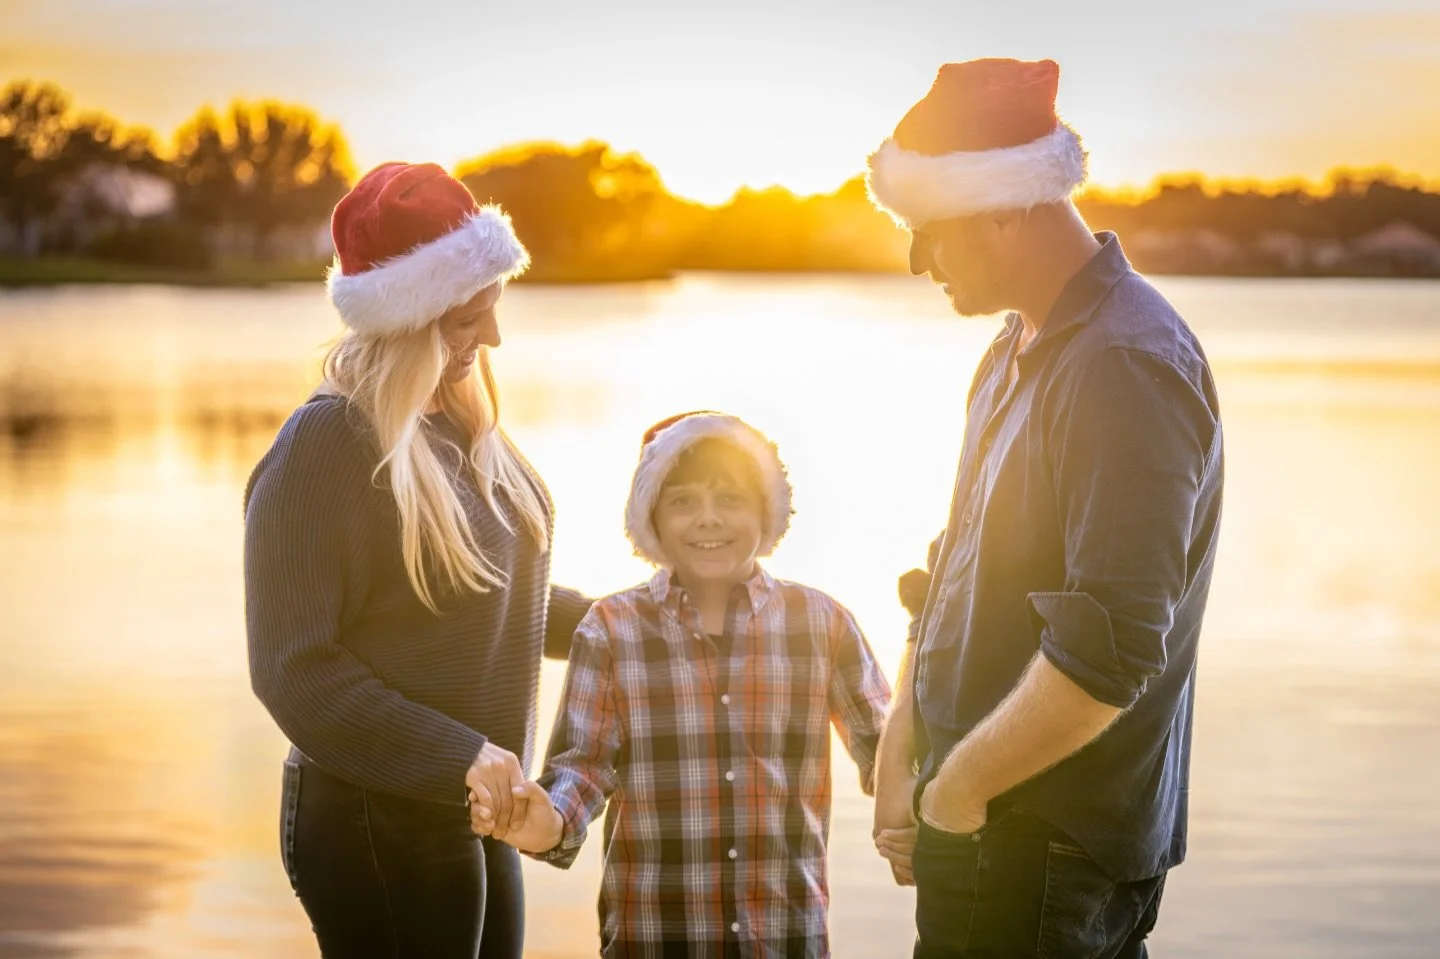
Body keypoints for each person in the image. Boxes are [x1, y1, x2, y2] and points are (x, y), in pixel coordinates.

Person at [865, 59, 1224, 957]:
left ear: (1001, 206)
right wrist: (904, 739)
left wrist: (958, 791)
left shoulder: (1122, 364)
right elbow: (958, 559)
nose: (917, 262)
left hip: (1038, 844)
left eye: (928, 231)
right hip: (985, 822)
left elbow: (1113, 645)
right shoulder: (1013, 346)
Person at [243, 161, 592, 959]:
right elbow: (293, 667)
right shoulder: (327, 445)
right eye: (467, 319)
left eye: (493, 310)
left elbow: (495, 594)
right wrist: (461, 754)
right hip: (373, 813)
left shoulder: (461, 426)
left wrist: (629, 621)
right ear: (407, 319)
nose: (492, 337)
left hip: (472, 803)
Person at [473, 412, 892, 958]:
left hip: (788, 939)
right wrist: (547, 822)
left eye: (732, 500)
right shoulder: (611, 629)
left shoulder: (823, 623)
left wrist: (920, 804)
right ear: (652, 518)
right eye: (684, 502)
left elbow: (886, 750)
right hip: (653, 939)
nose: (709, 520)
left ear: (767, 509)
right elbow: (584, 766)